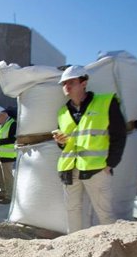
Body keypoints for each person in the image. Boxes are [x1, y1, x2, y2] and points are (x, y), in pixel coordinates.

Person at [53, 65, 126, 233]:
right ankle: (75, 249)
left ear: (84, 82)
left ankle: (113, 249)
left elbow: (119, 135)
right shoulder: (62, 112)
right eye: (64, 83)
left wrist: (110, 164)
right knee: (72, 213)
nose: (67, 87)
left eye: (71, 82)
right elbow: (64, 144)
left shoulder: (106, 102)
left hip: (97, 169)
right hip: (69, 169)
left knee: (105, 214)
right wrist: (60, 141)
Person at [0, 106, 17, 204]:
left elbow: (13, 139)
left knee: (8, 177)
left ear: (3, 114)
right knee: (1, 176)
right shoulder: (3, 125)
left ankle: (10, 196)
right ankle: (3, 192)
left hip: (8, 156)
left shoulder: (12, 123)